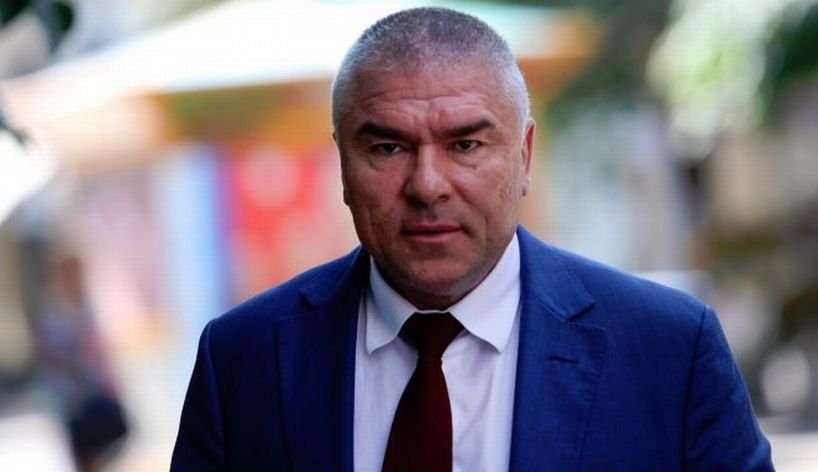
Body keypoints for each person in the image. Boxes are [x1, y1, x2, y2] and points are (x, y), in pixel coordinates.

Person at [171, 7, 773, 471]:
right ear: (343, 164)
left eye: (465, 144)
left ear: (524, 155)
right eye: (388, 147)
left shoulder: (668, 350)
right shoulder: (243, 360)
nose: (427, 185)